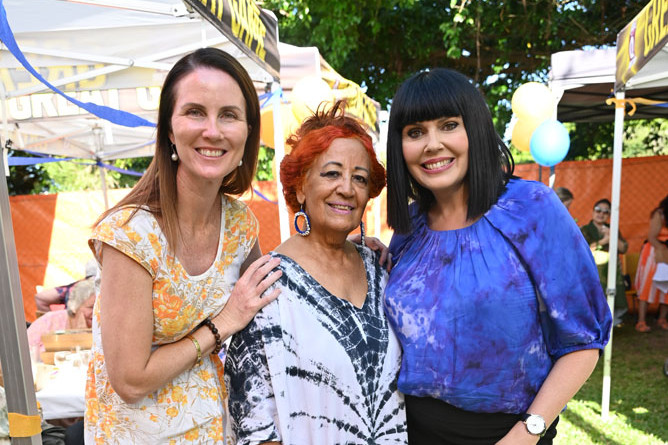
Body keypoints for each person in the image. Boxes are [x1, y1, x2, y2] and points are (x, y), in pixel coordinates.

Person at [383, 68, 611, 444]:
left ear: (474, 129)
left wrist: (527, 432)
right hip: (411, 431)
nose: (432, 144)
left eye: (449, 125)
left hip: (507, 433)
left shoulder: (532, 208)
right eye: (415, 132)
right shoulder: (409, 226)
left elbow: (583, 341)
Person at [84, 48, 282, 444]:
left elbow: (270, 303)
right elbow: (129, 378)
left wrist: (355, 251)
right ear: (170, 131)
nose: (213, 130)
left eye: (229, 114)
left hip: (214, 430)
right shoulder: (131, 234)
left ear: (247, 132)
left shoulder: (240, 224)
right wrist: (223, 322)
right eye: (195, 112)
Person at [225, 102, 408, 444]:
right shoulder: (268, 285)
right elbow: (255, 426)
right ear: (299, 188)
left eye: (360, 178)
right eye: (331, 173)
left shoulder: (380, 269)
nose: (347, 188)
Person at [580, 199, 629, 325]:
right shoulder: (584, 229)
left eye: (606, 212)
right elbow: (583, 250)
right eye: (598, 210)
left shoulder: (612, 229)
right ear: (593, 211)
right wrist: (604, 240)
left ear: (609, 215)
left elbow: (623, 248)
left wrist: (612, 236)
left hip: (611, 271)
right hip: (591, 270)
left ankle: (608, 322)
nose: (601, 214)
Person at [27, 276, 96, 353]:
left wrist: (83, 334)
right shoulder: (49, 320)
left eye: (99, 308)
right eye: (91, 307)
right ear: (75, 306)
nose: (96, 312)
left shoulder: (100, 327)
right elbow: (25, 349)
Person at [634, 194, 668, 332]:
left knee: (667, 288)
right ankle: (641, 321)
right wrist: (663, 252)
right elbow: (652, 237)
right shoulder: (660, 214)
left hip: (666, 252)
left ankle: (662, 319)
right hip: (654, 252)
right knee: (647, 286)